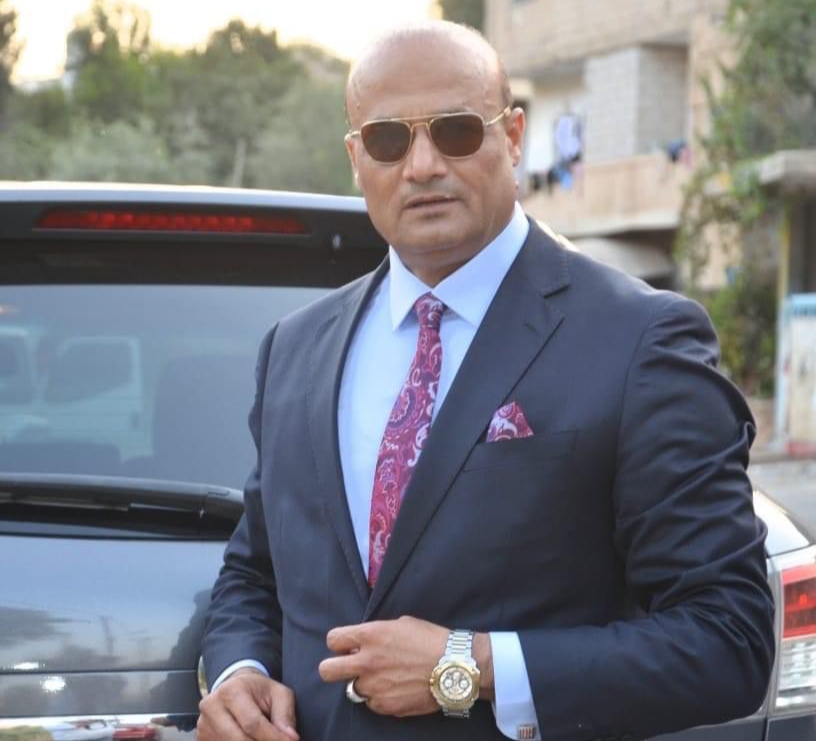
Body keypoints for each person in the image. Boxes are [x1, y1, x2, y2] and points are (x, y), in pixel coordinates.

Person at [196, 20, 774, 741]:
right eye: (388, 140)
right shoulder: (295, 348)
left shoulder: (639, 340)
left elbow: (728, 638)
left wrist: (469, 665)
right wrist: (239, 671)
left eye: (457, 131)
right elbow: (255, 573)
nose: (423, 165)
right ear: (355, 158)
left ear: (514, 136)